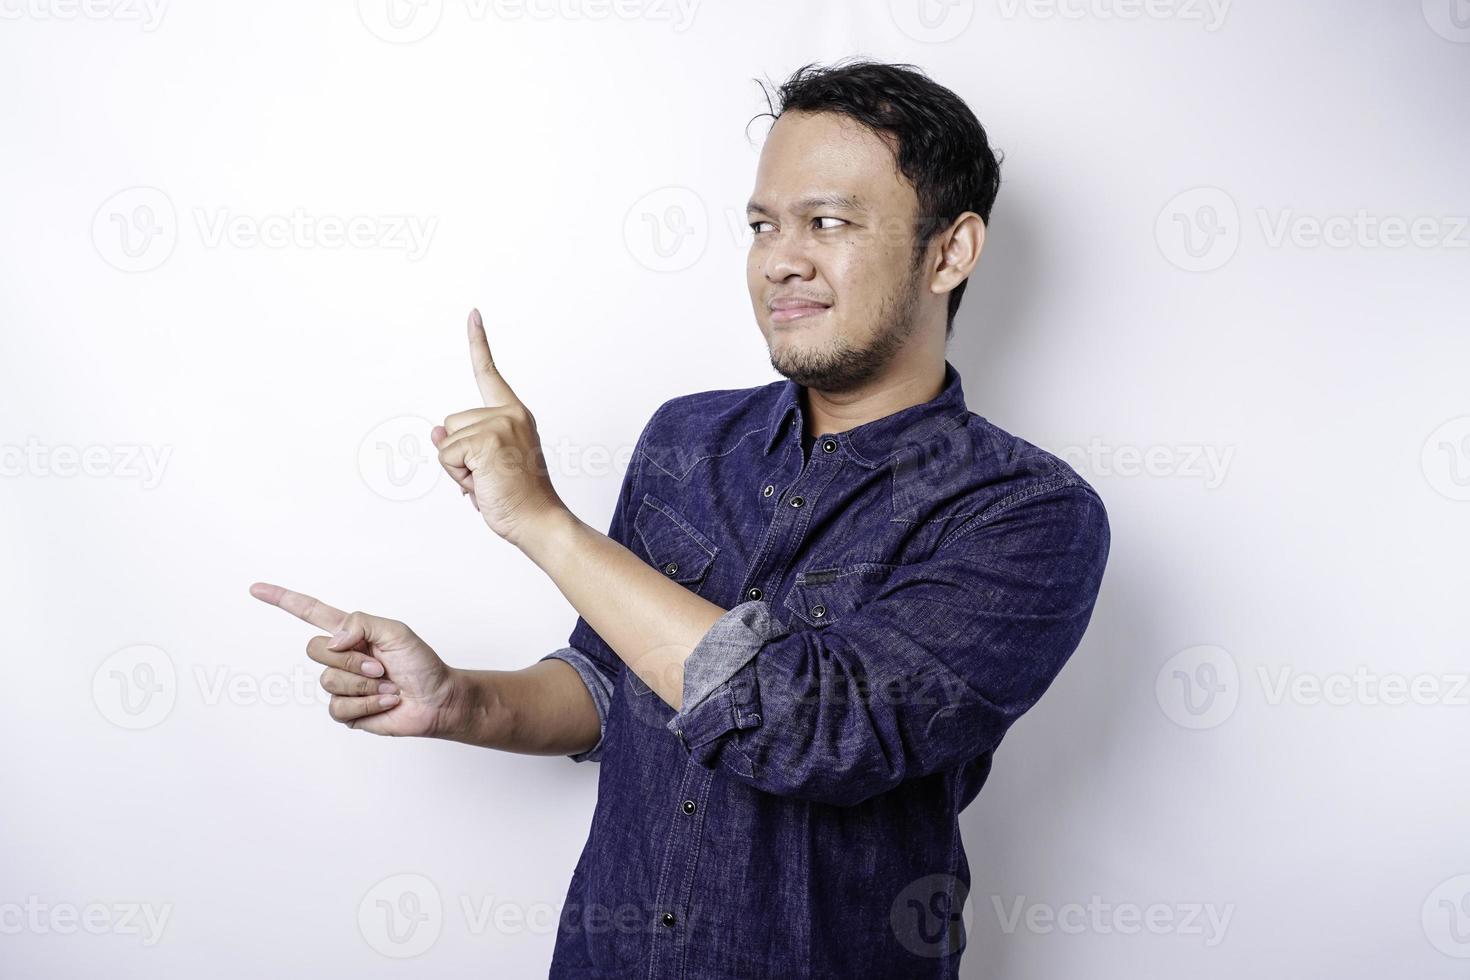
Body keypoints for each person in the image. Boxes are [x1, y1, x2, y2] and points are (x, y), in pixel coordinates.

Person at [251, 58, 1111, 979]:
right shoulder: (686, 437)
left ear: (951, 251)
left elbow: (815, 729)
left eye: (829, 221)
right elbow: (613, 682)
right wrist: (460, 699)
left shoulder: (1027, 514)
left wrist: (545, 523)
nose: (781, 258)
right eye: (762, 225)